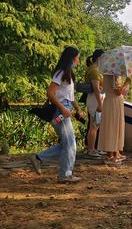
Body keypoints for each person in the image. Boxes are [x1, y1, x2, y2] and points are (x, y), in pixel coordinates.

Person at [30, 46, 84, 183]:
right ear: (72, 58)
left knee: (67, 144)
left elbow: (70, 98)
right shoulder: (60, 73)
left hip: (65, 110)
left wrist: (78, 110)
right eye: (77, 57)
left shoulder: (69, 74)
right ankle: (65, 175)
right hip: (60, 112)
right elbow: (50, 93)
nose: (78, 60)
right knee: (71, 144)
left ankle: (38, 158)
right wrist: (63, 108)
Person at [98, 74, 130, 164]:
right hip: (113, 102)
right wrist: (126, 83)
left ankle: (115, 152)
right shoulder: (112, 75)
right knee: (113, 127)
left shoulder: (111, 74)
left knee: (114, 127)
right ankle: (110, 155)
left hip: (113, 102)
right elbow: (118, 92)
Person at [84, 49, 105, 159]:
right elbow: (96, 89)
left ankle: (91, 148)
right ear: (99, 58)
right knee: (94, 125)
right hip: (95, 99)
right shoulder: (94, 71)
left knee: (95, 124)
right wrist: (100, 103)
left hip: (93, 98)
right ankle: (91, 150)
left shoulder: (93, 69)